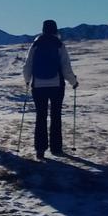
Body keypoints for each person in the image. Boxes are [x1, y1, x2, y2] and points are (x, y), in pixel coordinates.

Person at [23, 19, 78, 160]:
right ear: (55, 30)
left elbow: (27, 65)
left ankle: (40, 149)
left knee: (40, 116)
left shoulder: (35, 44)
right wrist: (73, 82)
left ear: (43, 29)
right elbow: (66, 67)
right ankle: (56, 148)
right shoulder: (59, 44)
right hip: (56, 85)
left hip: (38, 86)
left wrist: (28, 81)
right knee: (56, 116)